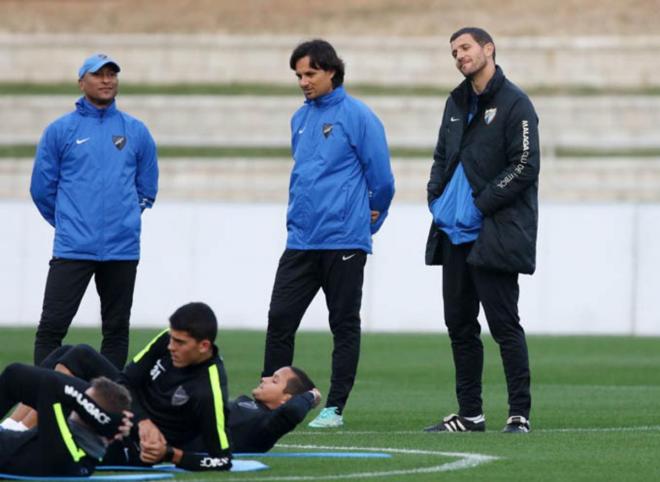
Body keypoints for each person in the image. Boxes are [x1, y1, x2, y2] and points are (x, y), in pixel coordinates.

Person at [262, 39, 395, 429]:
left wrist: (370, 220)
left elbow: (382, 180)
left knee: (344, 324)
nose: (303, 81)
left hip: (343, 241)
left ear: (331, 71)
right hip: (302, 239)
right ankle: (270, 399)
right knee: (280, 319)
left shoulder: (359, 116)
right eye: (299, 75)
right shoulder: (298, 119)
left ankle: (334, 407)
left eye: (310, 73)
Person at [424, 27, 539, 433]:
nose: (459, 55)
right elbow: (442, 155)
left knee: (504, 326)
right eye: (454, 50)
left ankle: (518, 413)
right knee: (459, 326)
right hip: (453, 234)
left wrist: (481, 202)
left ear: (488, 49)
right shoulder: (455, 102)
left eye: (466, 47)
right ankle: (470, 414)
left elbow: (525, 165)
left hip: (493, 233)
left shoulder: (516, 103)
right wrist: (435, 197)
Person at [30, 52, 159, 370]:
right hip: (73, 246)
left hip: (121, 248)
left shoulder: (136, 130)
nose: (106, 80)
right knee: (52, 327)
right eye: (98, 74)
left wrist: (126, 219)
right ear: (81, 81)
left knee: (115, 330)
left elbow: (147, 187)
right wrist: (67, 223)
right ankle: (42, 403)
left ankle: (105, 408)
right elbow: (42, 189)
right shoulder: (60, 130)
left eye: (112, 74)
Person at [6, 348, 321, 455]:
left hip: (152, 430)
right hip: (154, 410)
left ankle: (18, 432)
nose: (266, 378)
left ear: (285, 399)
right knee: (69, 354)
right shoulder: (247, 406)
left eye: (275, 381)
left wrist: (311, 397)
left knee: (77, 361)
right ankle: (13, 425)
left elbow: (291, 414)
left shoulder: (264, 427)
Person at [0, 363, 132, 477]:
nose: (75, 406)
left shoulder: (64, 449)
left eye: (82, 401)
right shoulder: (87, 454)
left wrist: (85, 405)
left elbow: (17, 375)